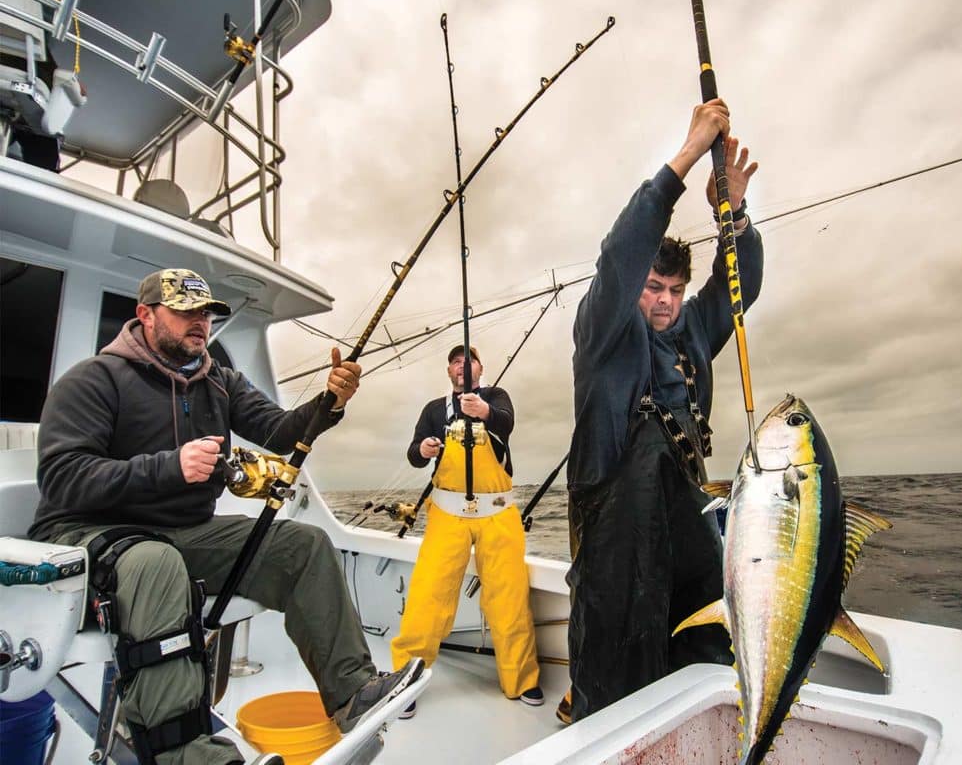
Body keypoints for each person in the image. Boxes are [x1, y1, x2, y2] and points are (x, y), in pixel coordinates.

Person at [29, 268, 424, 765]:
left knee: (304, 544)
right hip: (88, 532)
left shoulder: (219, 380)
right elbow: (63, 477)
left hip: (181, 533)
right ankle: (185, 751)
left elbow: (280, 432)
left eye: (206, 313)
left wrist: (331, 402)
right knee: (155, 564)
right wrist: (169, 467)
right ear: (145, 315)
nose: (200, 322)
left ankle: (353, 693)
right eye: (185, 311)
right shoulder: (94, 380)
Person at [565, 99, 763, 722]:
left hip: (688, 507)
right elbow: (619, 255)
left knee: (705, 633)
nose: (666, 302)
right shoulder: (604, 331)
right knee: (618, 658)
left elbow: (743, 283)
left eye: (675, 290)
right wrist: (685, 158)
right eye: (655, 288)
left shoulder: (696, 328)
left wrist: (732, 214)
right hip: (614, 522)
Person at [390, 345, 543, 717]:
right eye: (456, 361)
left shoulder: (496, 398)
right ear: (449, 371)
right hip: (447, 512)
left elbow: (505, 421)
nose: (463, 366)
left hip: (497, 513)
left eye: (469, 360)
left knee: (509, 598)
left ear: (480, 368)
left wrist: (484, 412)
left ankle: (521, 678)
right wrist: (422, 449)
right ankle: (405, 679)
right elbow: (413, 453)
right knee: (428, 596)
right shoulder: (433, 410)